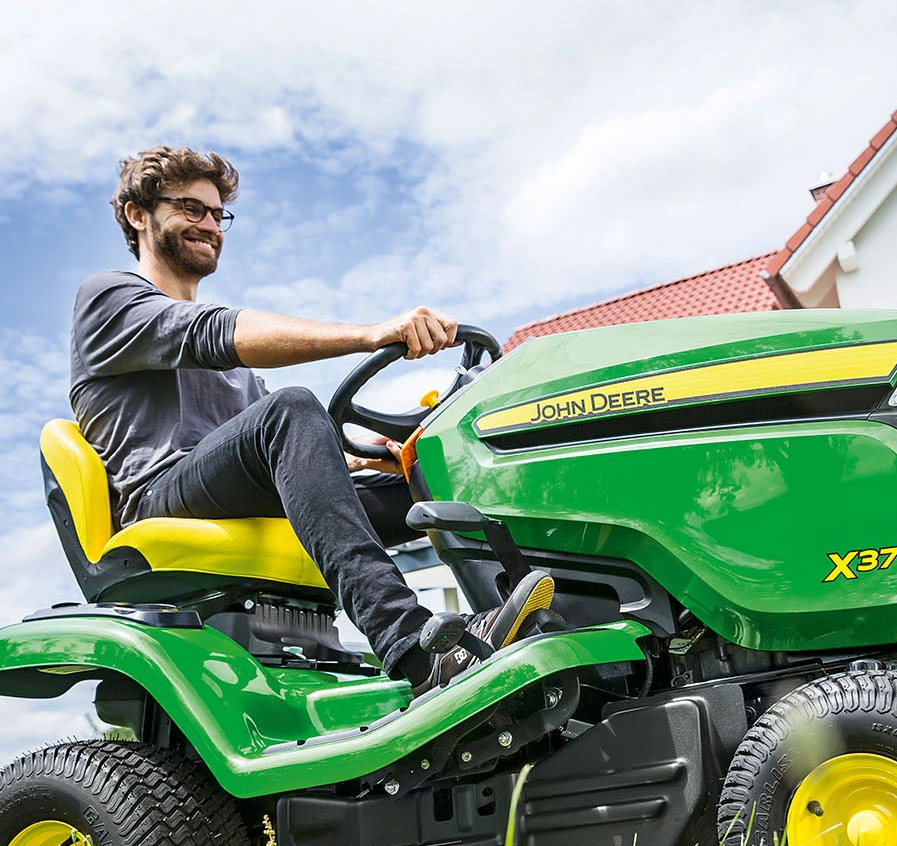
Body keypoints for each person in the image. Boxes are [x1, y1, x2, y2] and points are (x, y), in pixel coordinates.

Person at [68, 145, 551, 691]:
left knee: (432, 481)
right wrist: (369, 334)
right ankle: (414, 647)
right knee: (292, 408)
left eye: (216, 214)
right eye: (190, 208)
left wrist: (377, 457)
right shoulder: (112, 298)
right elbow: (225, 349)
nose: (209, 224)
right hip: (159, 497)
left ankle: (537, 614)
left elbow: (288, 454)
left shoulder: (238, 375)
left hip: (237, 489)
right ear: (138, 215)